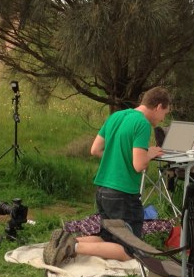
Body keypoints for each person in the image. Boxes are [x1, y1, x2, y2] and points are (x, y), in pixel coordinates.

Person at [44, 87, 170, 266]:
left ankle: (61, 242)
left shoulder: (116, 116)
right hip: (122, 194)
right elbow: (139, 165)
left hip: (103, 190)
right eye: (165, 113)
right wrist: (149, 153)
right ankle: (72, 247)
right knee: (130, 250)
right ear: (158, 107)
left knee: (108, 237)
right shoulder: (142, 123)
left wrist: (120, 158)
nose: (163, 119)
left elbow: (95, 150)